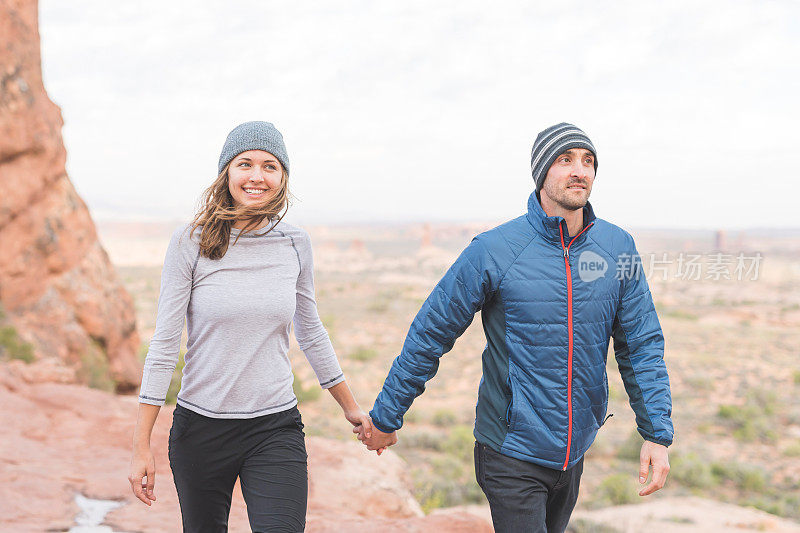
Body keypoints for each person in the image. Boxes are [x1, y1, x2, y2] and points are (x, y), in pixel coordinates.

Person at [359, 123, 673, 532]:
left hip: (573, 455)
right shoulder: (495, 249)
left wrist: (657, 434)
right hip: (510, 450)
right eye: (565, 159)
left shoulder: (617, 247)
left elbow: (640, 343)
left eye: (588, 161)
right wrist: (386, 417)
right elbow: (430, 334)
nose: (580, 170)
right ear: (542, 171)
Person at [128, 121, 374, 532]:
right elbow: (165, 345)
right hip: (201, 429)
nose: (257, 176)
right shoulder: (192, 240)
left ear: (283, 178)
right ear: (227, 172)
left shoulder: (296, 243)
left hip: (274, 427)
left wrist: (350, 407)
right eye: (245, 164)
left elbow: (311, 331)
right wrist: (141, 446)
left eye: (270, 166)